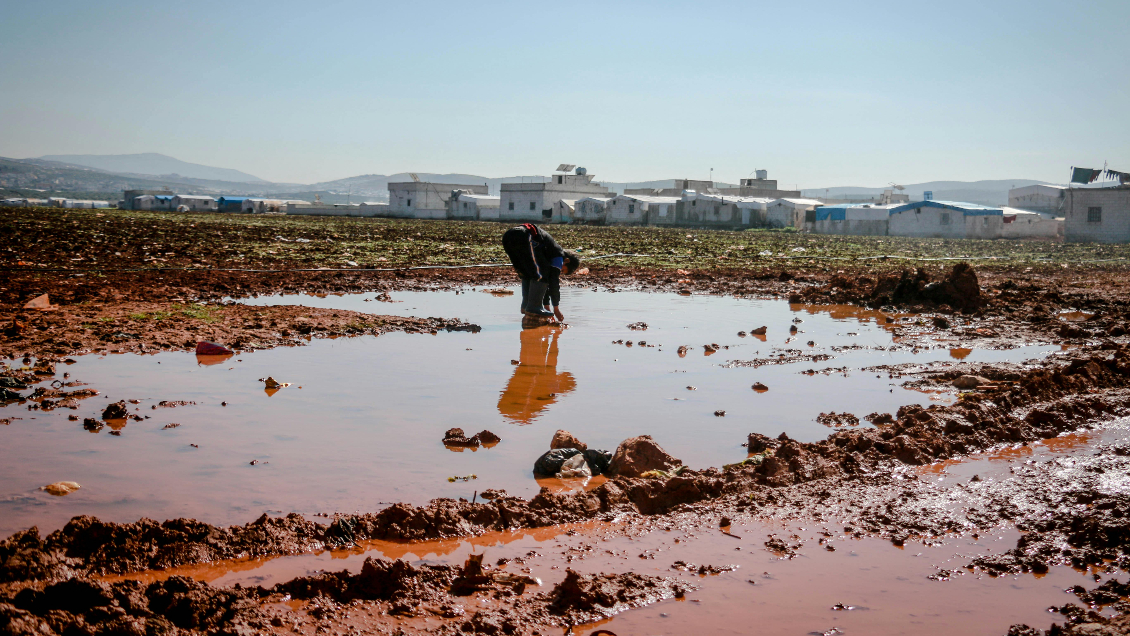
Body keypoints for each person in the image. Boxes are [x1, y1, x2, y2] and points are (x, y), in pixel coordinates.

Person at [501, 223, 580, 322]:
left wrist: (546, 308)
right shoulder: (559, 256)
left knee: (527, 274)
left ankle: (526, 306)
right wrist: (556, 309)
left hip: (508, 237)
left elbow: (544, 285)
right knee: (541, 274)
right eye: (562, 269)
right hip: (523, 235)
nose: (559, 270)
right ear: (567, 261)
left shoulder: (547, 255)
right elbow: (553, 282)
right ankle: (533, 307)